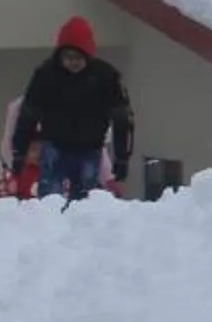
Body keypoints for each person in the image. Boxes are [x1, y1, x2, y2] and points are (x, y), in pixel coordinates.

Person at [8, 17, 134, 204]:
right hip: (54, 145)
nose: (72, 62)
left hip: (89, 148)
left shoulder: (105, 76)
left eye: (78, 58)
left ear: (88, 55)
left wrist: (122, 157)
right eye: (67, 57)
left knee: (83, 202)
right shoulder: (46, 75)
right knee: (50, 201)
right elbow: (28, 114)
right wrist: (19, 151)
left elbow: (122, 119)